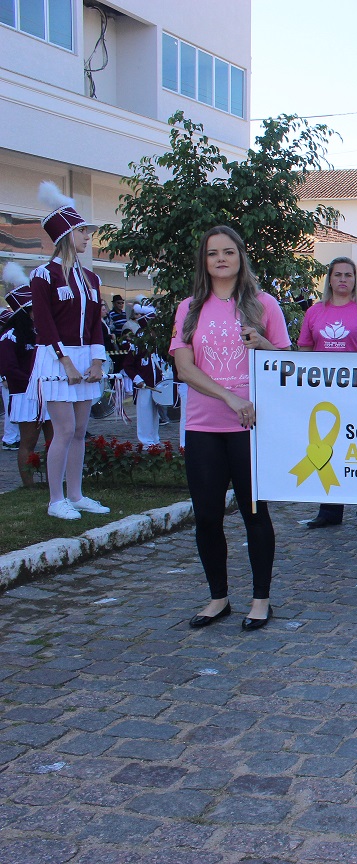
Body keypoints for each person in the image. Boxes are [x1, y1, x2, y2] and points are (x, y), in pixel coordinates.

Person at [171, 226, 290, 631]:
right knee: (206, 517)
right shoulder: (189, 307)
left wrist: (264, 346)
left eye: (228, 252)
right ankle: (218, 597)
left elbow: (286, 365)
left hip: (252, 428)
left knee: (255, 513)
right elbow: (184, 368)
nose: (220, 259)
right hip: (205, 425)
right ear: (203, 261)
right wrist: (230, 398)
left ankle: (260, 600)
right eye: (212, 253)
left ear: (240, 256)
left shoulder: (264, 305)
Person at [28, 182, 110, 520]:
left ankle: (76, 495)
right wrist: (66, 362)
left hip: (84, 359)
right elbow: (44, 325)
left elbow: (94, 324)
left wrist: (95, 360)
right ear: (65, 235)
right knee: (62, 430)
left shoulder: (91, 278)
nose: (87, 236)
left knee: (79, 431)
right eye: (81, 230)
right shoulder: (43, 275)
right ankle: (55, 499)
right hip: (55, 358)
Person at [299, 257, 357, 532]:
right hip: (325, 394)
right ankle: (329, 510)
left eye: (348, 275)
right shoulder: (315, 312)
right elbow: (305, 352)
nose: (343, 280)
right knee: (329, 449)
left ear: (355, 279)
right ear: (329, 279)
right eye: (337, 275)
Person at [1, 267, 53, 486]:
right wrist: (33, 383)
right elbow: (10, 368)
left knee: (54, 439)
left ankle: (54, 478)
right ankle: (29, 485)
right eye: (32, 310)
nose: (37, 313)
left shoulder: (40, 332)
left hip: (47, 391)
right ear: (23, 312)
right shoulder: (9, 336)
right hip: (25, 394)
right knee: (28, 442)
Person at [119, 304, 170, 445]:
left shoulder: (159, 343)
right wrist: (138, 380)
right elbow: (128, 365)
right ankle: (146, 444)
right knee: (145, 416)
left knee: (155, 416)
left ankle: (154, 441)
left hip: (157, 385)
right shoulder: (139, 342)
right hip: (144, 385)